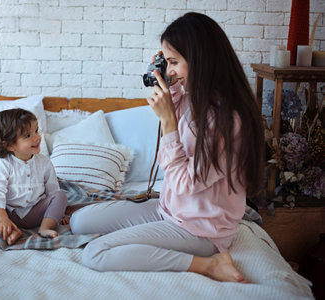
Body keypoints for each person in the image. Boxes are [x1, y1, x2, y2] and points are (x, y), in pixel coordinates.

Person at [70, 12, 264, 283]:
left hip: (200, 229)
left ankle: (208, 265)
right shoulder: (193, 99)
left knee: (96, 252)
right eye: (166, 61)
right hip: (169, 210)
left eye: (174, 62)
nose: (169, 69)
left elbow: (186, 183)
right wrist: (166, 77)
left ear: (199, 60)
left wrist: (169, 123)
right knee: (78, 221)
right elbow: (175, 111)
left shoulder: (226, 120)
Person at [0, 108, 68, 245]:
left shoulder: (44, 162)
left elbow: (52, 189)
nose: (37, 137)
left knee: (60, 196)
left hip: (35, 213)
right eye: (28, 136)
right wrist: (2, 217)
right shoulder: (4, 164)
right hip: (9, 213)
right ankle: (9, 229)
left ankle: (45, 228)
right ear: (10, 145)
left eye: (36, 131)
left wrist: (58, 212)